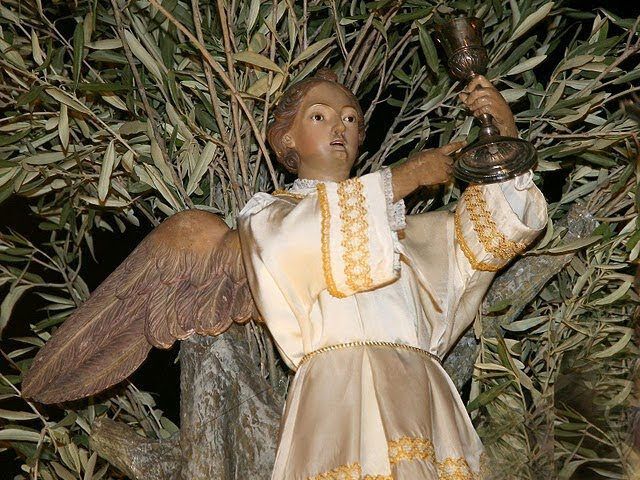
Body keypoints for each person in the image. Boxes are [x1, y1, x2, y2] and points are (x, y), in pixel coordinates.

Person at [237, 69, 547, 480]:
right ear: (287, 138)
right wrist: (406, 177)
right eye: (319, 116)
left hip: (420, 393)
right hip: (341, 394)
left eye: (350, 118)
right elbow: (299, 241)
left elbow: (490, 236)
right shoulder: (269, 217)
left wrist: (502, 134)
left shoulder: (402, 230)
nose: (339, 127)